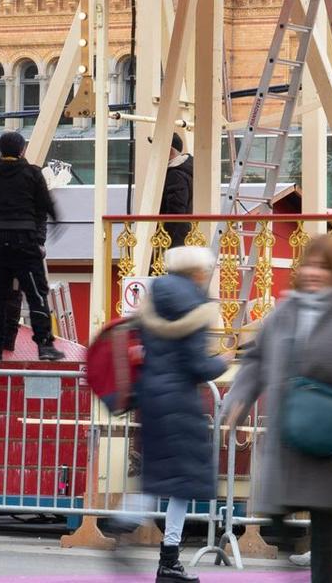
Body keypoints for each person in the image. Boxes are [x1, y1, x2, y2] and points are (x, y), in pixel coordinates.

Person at [226, 234, 332, 583]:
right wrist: (239, 398)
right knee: (275, 515)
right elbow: (257, 358)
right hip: (289, 434)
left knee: (326, 524)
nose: (313, 273)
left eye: (322, 267)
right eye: (308, 265)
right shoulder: (286, 311)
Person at [109, 245, 227, 582]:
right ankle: (166, 556)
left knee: (159, 474)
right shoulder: (195, 305)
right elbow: (196, 364)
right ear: (198, 272)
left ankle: (135, 527)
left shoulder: (154, 297)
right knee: (184, 480)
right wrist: (222, 360)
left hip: (152, 396)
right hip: (180, 400)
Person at [0, 131, 63, 362]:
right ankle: (45, 346)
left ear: (1, 150)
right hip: (25, 242)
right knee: (36, 294)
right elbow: (45, 204)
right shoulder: (32, 173)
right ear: (22, 150)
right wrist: (54, 222)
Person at [158, 134, 195, 251]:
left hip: (174, 240)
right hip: (182, 237)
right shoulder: (187, 170)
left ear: (169, 150)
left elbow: (176, 210)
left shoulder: (175, 175)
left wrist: (165, 240)